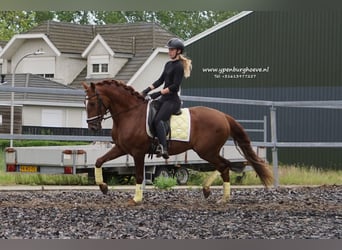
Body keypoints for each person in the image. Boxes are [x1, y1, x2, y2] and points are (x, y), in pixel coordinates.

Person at [141, 38, 192, 159]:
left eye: (172, 49)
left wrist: (158, 93)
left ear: (178, 51)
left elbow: (174, 86)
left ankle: (164, 147)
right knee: (150, 115)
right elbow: (160, 80)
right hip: (164, 99)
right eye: (169, 49)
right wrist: (146, 90)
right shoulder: (168, 64)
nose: (169, 52)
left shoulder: (179, 66)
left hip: (172, 101)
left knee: (158, 120)